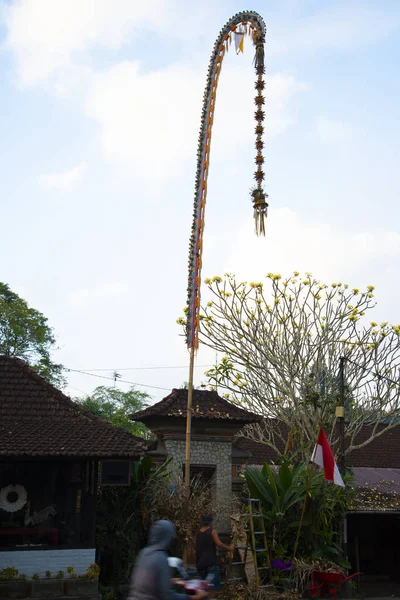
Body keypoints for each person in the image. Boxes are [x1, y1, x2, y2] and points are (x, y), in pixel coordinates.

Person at [129, 519, 207, 600]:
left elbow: (144, 581)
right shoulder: (161, 557)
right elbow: (167, 596)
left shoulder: (144, 553)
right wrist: (193, 597)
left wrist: (169, 580)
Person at [195, 515, 234, 591]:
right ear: (211, 522)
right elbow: (219, 544)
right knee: (213, 589)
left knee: (203, 590)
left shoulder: (198, 533)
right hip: (210, 565)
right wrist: (229, 548)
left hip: (200, 565)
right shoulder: (212, 532)